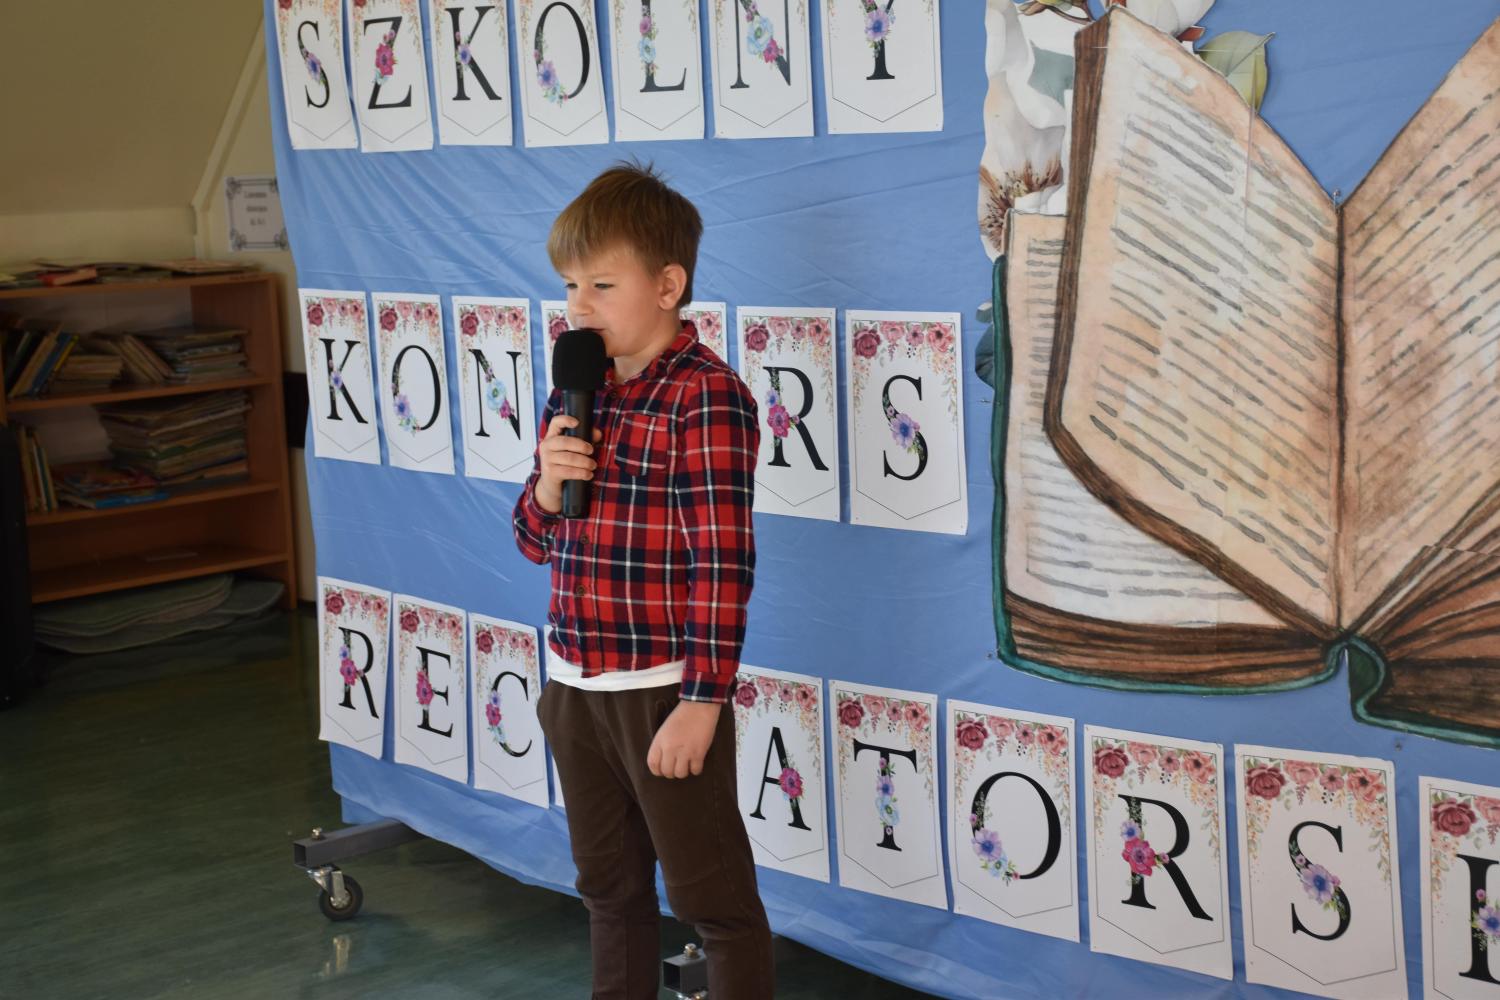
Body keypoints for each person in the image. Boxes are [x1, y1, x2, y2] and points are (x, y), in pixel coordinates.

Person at [512, 161, 774, 1000]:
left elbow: (723, 565)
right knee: (609, 891)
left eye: (601, 284)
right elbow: (531, 541)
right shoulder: (576, 395)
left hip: (662, 691)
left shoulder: (707, 397)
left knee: (713, 901)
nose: (578, 306)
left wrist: (702, 701)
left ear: (668, 286)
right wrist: (547, 488)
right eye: (568, 286)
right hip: (574, 685)